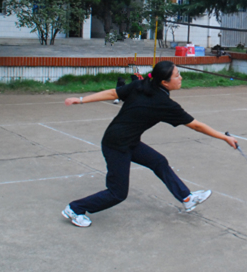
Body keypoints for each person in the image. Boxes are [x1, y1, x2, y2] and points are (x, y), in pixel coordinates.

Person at [61, 61, 238, 227]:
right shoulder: (163, 103)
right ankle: (75, 209)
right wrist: (224, 137)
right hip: (116, 145)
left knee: (158, 161)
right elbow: (196, 126)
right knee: (117, 193)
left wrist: (82, 99)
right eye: (177, 76)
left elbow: (114, 93)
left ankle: (186, 198)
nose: (181, 78)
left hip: (129, 141)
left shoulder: (143, 85)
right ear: (165, 82)